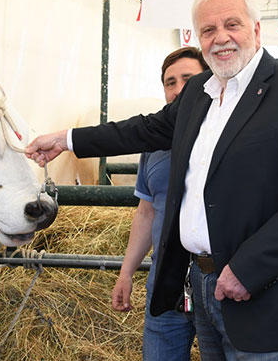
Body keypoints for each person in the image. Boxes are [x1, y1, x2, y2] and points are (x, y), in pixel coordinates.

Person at [26, 0, 278, 360]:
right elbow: (143, 129)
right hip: (201, 282)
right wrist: (68, 139)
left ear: (257, 30)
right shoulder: (199, 91)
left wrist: (247, 268)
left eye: (233, 24)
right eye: (208, 30)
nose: (221, 38)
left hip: (266, 291)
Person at [111, 47, 208, 361]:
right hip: (165, 279)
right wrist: (127, 273)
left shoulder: (228, 137)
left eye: (188, 79)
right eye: (170, 82)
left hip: (217, 279)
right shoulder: (153, 145)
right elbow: (146, 211)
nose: (178, 89)